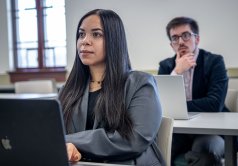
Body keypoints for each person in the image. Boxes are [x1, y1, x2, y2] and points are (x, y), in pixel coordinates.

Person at [59, 9, 165, 165]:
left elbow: (134, 140)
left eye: (96, 34)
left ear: (114, 40)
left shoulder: (141, 83)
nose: (85, 41)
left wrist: (67, 141)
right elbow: (50, 133)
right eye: (81, 34)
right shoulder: (68, 90)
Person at [158, 17, 229, 165]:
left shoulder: (214, 62)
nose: (181, 42)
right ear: (171, 45)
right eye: (175, 38)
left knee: (203, 152)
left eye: (186, 35)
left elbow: (214, 104)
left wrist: (178, 107)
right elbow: (159, 104)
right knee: (157, 150)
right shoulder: (166, 66)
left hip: (210, 129)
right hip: (178, 130)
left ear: (197, 39)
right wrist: (176, 72)